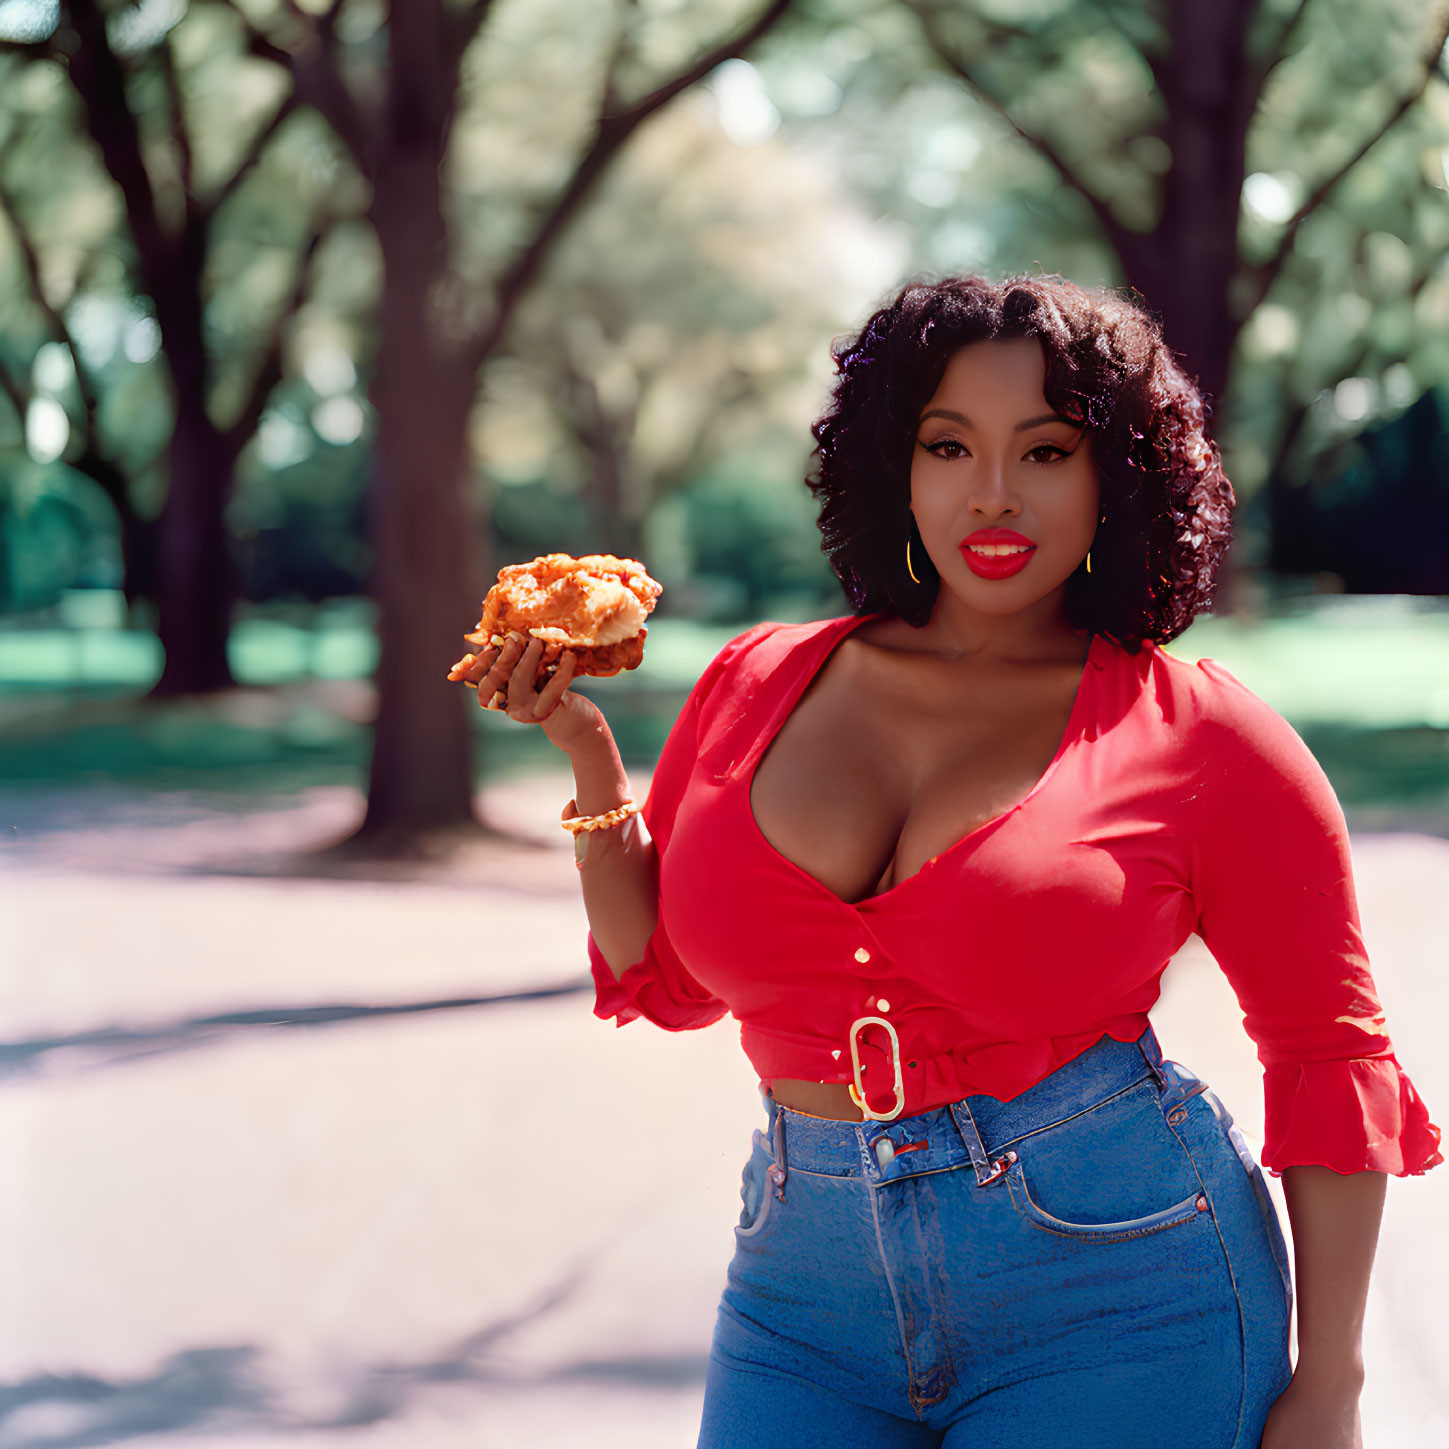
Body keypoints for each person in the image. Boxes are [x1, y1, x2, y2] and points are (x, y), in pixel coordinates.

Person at [456, 274, 1443, 1449]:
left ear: (1116, 477)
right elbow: (662, 971)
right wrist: (588, 757)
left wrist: (1328, 1384)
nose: (991, 495)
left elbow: (1331, 1057)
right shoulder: (757, 685)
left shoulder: (1204, 737)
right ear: (894, 464)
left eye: (1046, 452)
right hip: (798, 1293)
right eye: (947, 444)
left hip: (1120, 1290)